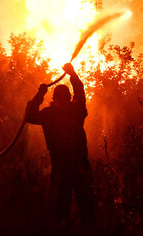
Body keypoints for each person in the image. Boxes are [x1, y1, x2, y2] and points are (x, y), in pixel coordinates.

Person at [25, 63, 94, 229]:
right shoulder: (72, 111)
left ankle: (83, 228)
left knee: (83, 206)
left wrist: (40, 95)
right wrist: (72, 75)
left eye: (64, 99)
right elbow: (30, 116)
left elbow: (30, 115)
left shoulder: (52, 114)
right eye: (60, 99)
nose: (62, 102)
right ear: (56, 100)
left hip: (73, 164)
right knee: (64, 206)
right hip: (67, 165)